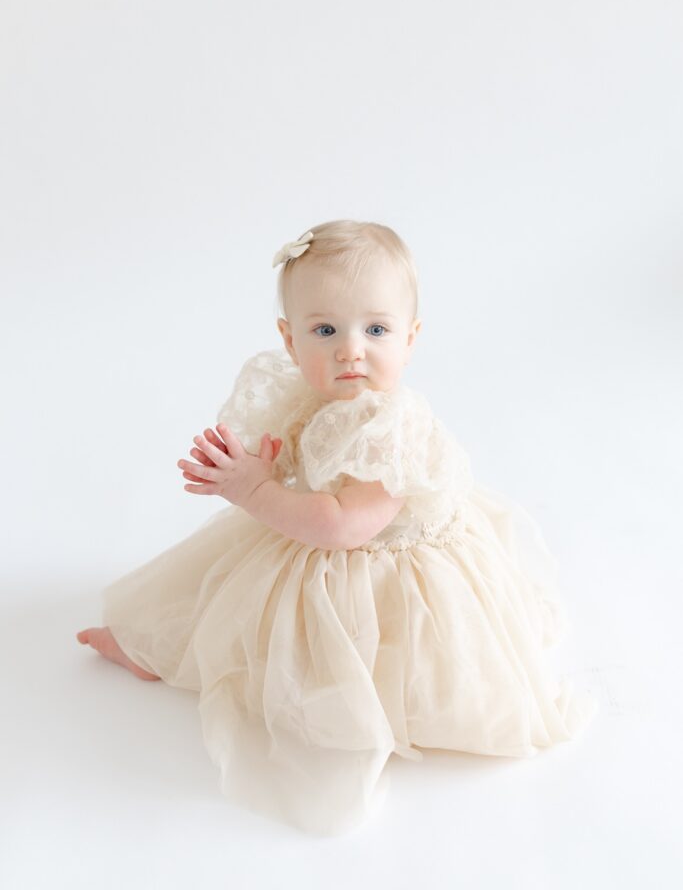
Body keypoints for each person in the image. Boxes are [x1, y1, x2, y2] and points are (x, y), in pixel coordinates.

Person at [76, 219, 598, 836]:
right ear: (290, 341)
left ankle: (368, 696)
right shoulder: (310, 397)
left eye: (376, 329)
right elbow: (302, 474)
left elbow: (346, 526)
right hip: (316, 539)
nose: (351, 349)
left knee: (352, 668)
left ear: (410, 338)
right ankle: (152, 646)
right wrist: (259, 469)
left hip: (387, 571)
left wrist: (255, 492)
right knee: (216, 598)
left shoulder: (389, 427)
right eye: (325, 330)